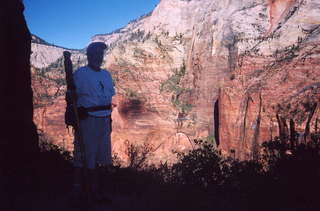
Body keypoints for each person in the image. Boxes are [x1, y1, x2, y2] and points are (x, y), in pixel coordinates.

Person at [71, 42, 115, 203]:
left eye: (101, 53)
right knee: (83, 156)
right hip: (87, 119)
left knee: (100, 157)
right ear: (89, 55)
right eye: (95, 53)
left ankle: (95, 191)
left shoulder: (106, 75)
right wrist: (74, 113)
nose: (99, 56)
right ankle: (78, 192)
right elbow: (71, 96)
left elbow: (108, 99)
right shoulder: (80, 74)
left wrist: (109, 120)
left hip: (104, 119)